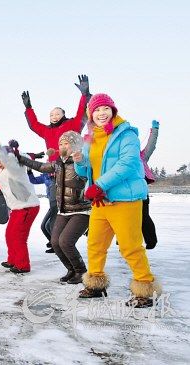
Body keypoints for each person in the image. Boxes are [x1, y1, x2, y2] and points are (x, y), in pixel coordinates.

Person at [73, 93, 161, 308]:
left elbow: (128, 163)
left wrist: (100, 185)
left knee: (130, 246)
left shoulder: (126, 134)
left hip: (124, 198)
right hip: (100, 200)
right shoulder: (90, 138)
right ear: (90, 114)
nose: (101, 113)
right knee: (95, 244)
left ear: (113, 111)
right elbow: (86, 170)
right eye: (96, 110)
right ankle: (95, 284)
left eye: (105, 109)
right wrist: (79, 161)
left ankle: (145, 288)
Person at [21, 75, 91, 252]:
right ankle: (57, 238)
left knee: (66, 204)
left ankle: (78, 228)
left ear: (63, 115)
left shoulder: (72, 125)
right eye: (51, 114)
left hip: (72, 170)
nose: (54, 116)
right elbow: (33, 125)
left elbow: (82, 115)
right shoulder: (46, 131)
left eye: (57, 113)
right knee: (57, 206)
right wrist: (28, 107)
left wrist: (85, 95)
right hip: (52, 172)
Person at [17, 131, 90, 284]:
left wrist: (81, 160)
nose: (63, 146)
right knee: (55, 242)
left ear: (76, 145)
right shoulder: (58, 163)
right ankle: (71, 269)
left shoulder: (82, 162)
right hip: (63, 210)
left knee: (65, 241)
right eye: (61, 144)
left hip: (81, 210)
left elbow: (87, 168)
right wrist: (22, 159)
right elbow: (41, 167)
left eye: (67, 143)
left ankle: (81, 271)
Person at [0, 138, 40, 274]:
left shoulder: (15, 168)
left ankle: (22, 265)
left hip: (27, 206)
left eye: (0, 159)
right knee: (10, 234)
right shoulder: (3, 169)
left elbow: (10, 160)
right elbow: (1, 157)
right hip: (16, 207)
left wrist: (6, 151)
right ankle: (13, 260)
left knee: (18, 236)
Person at [140, 120, 160, 249]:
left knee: (143, 217)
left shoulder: (141, 156)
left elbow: (151, 145)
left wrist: (155, 130)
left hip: (140, 192)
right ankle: (123, 240)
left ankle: (151, 241)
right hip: (122, 192)